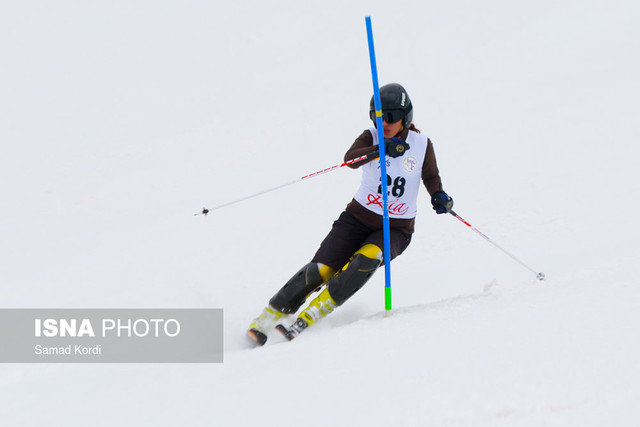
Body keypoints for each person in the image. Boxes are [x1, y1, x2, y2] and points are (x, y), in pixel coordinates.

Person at [247, 83, 453, 345]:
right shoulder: (371, 137)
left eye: (390, 116)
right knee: (320, 270)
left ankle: (312, 314)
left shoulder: (422, 144)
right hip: (356, 219)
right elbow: (350, 160)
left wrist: (439, 195)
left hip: (396, 228)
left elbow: (431, 176)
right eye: (377, 116)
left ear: (406, 116)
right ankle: (267, 318)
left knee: (365, 260)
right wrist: (379, 149)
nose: (384, 123)